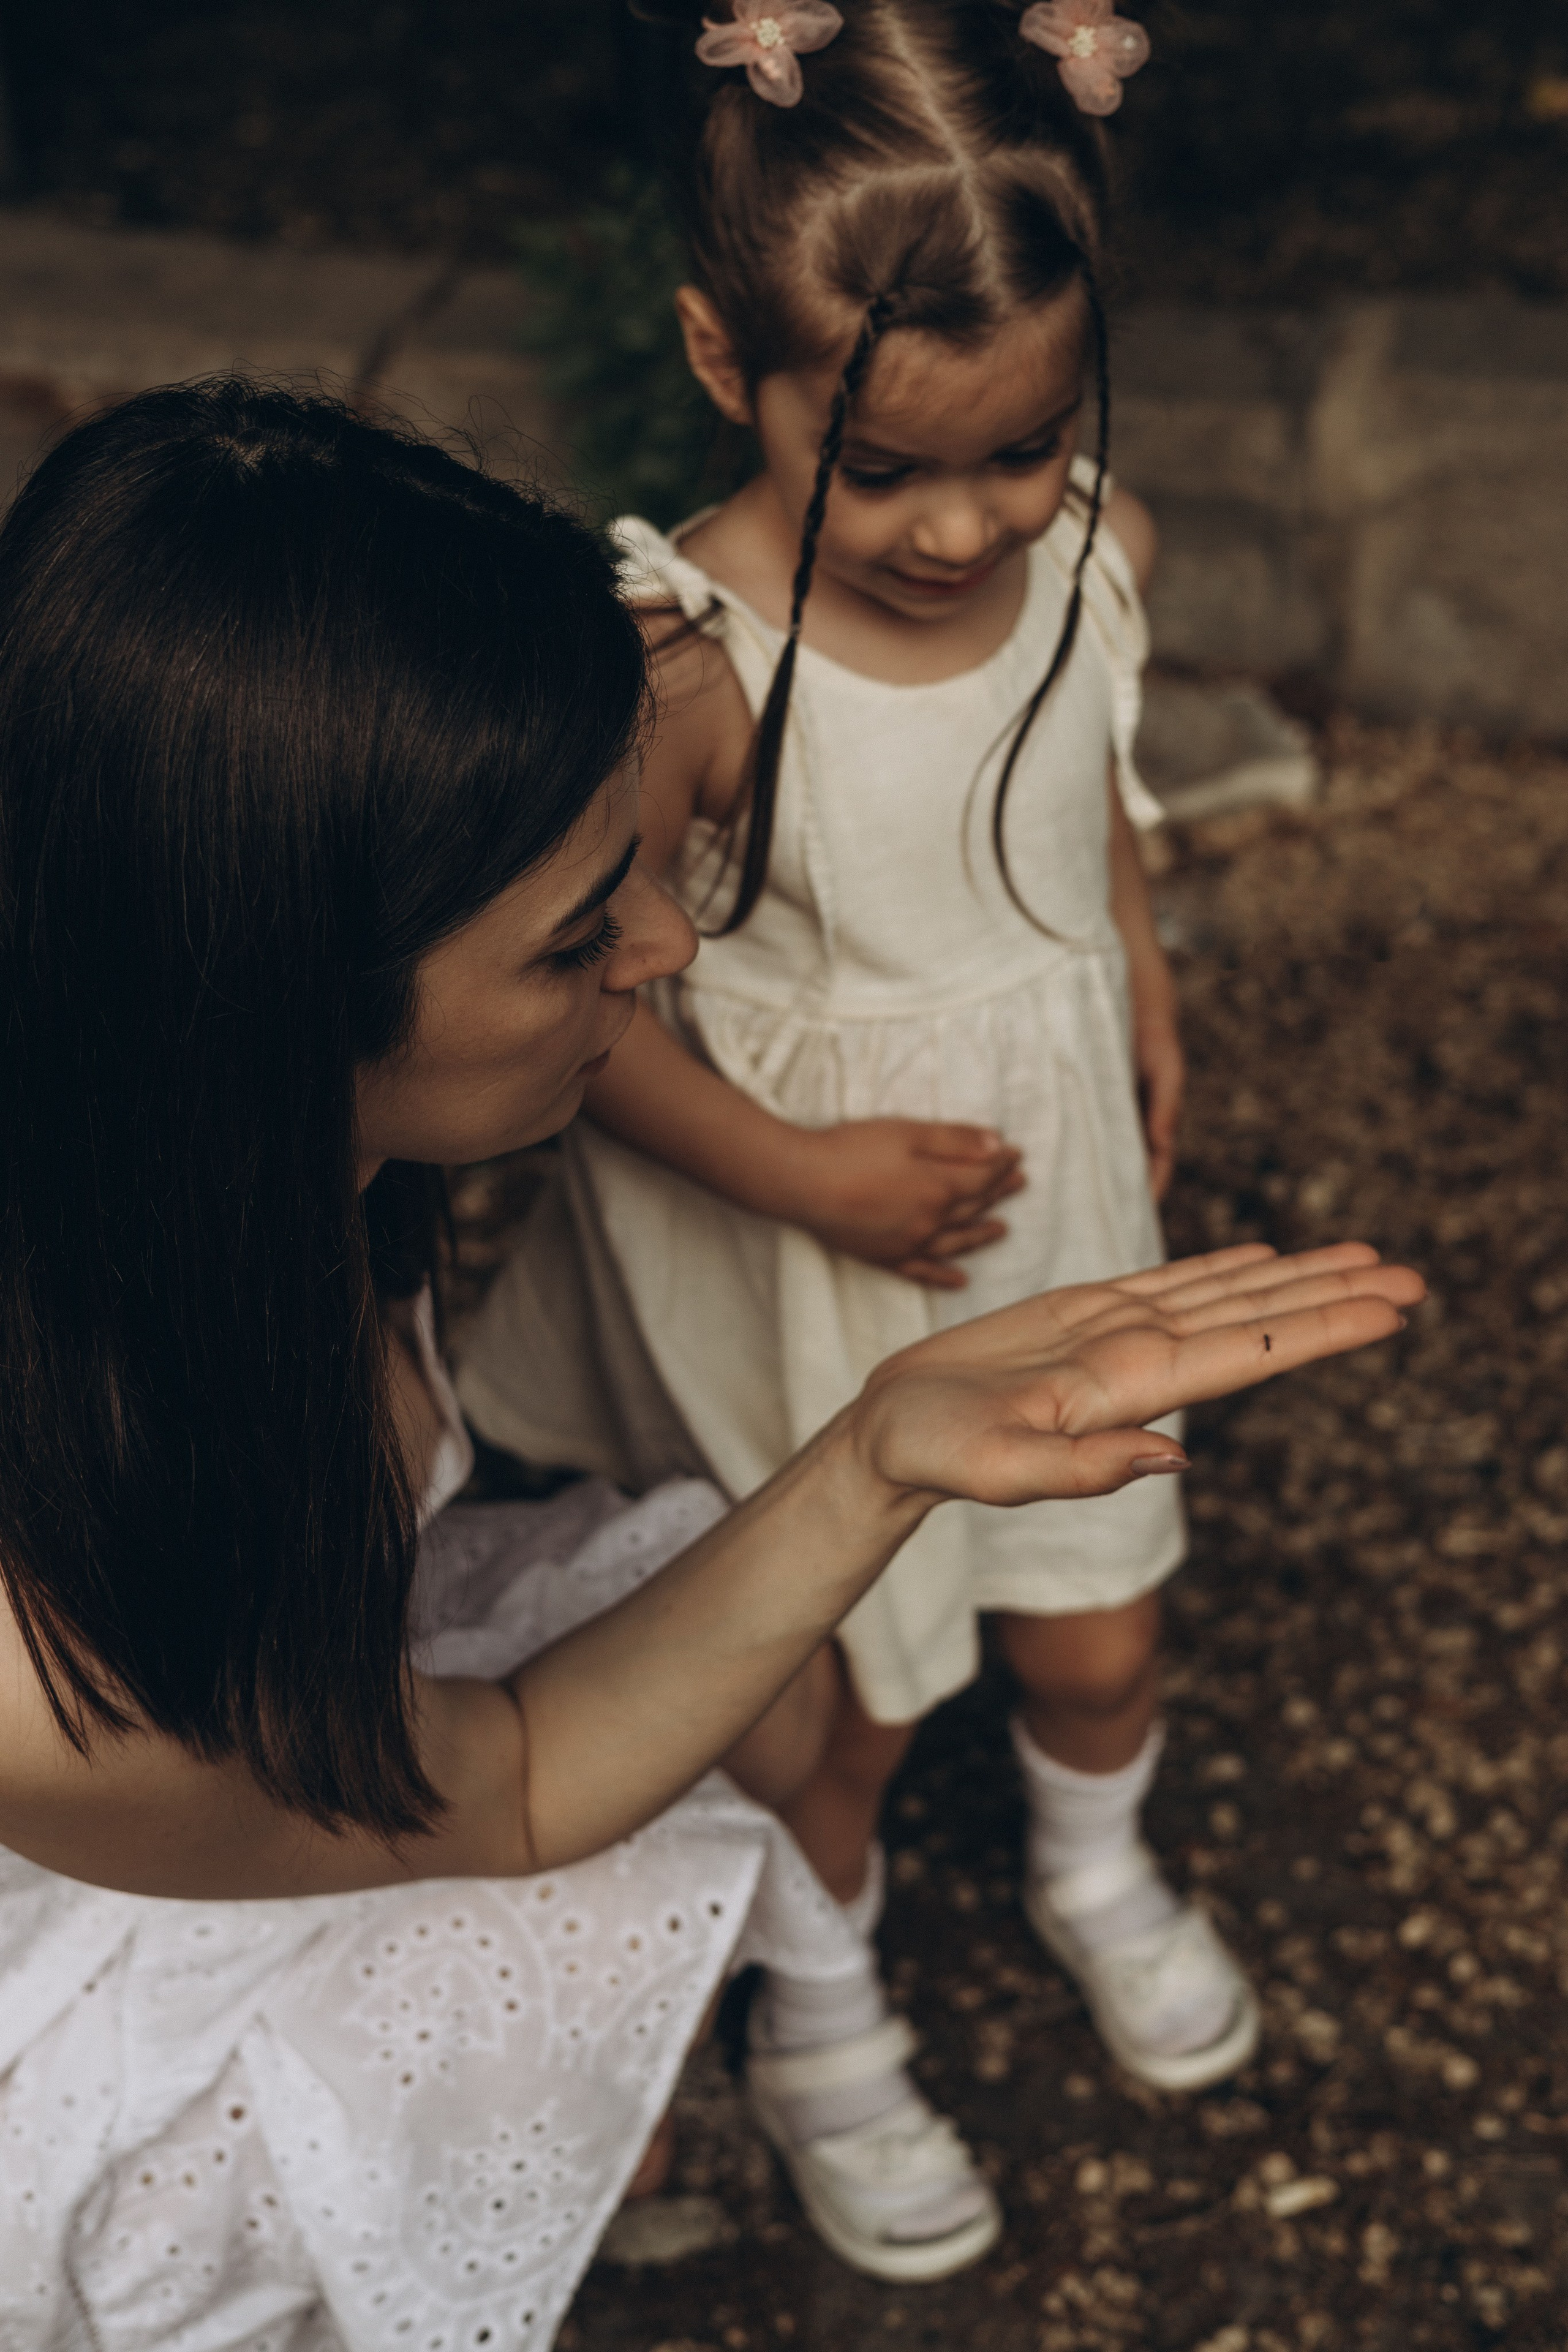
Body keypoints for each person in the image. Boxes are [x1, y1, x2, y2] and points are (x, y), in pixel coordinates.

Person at [0, 376, 1420, 2342]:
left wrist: (874, 1449)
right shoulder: (57, 1667)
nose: (670, 954)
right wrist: (868, 1468)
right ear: (277, 998)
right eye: (584, 936)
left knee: (735, 1681)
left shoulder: (190, 1140)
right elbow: (498, 1793)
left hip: (296, 1717)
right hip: (135, 1910)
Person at [454, 0, 1267, 2221]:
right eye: (885, 468)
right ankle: (827, 2014)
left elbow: (1089, 787)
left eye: (1021, 451)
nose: (961, 526)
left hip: (1042, 1172)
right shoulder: (688, 664)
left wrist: (1137, 979)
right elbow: (581, 1018)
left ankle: (1098, 1867)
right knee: (843, 1684)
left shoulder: (1093, 553)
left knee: (1098, 1606)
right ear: (732, 364)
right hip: (805, 1228)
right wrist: (802, 1169)